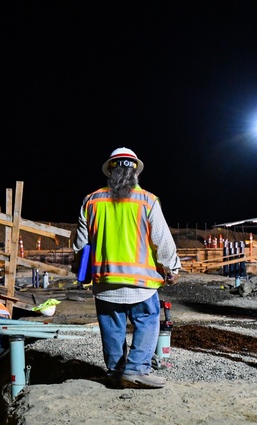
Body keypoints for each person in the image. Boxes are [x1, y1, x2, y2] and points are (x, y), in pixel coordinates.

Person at [72, 147, 181, 389]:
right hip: (141, 282)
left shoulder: (91, 201)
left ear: (110, 172)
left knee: (111, 325)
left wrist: (81, 272)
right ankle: (136, 369)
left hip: (105, 281)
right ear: (136, 173)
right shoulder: (148, 201)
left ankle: (115, 372)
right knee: (146, 319)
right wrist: (172, 268)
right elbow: (162, 240)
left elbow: (80, 244)